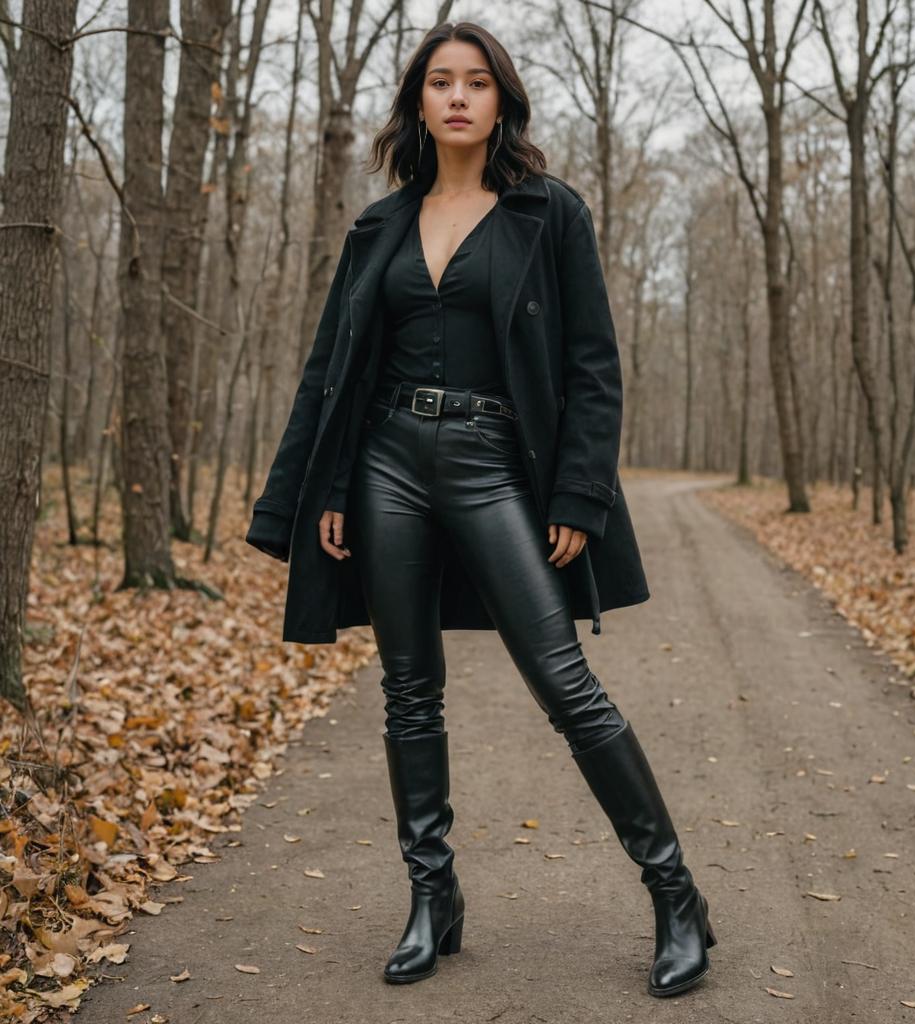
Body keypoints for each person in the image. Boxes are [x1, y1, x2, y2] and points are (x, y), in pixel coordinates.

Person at [249, 20, 716, 999]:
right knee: (408, 690)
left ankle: (676, 897)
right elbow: (335, 368)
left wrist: (578, 492)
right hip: (385, 464)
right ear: (417, 101)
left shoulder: (549, 214)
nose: (457, 97)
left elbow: (593, 366)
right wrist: (325, 488)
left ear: (500, 99)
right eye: (438, 82)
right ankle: (433, 899)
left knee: (566, 683)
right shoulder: (380, 224)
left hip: (494, 463)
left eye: (475, 82)